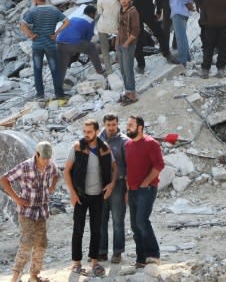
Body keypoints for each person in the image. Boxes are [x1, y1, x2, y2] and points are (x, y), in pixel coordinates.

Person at [62, 119, 117, 277]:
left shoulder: (105, 148)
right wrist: (72, 193)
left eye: (89, 132)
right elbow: (66, 171)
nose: (86, 135)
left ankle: (94, 262)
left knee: (96, 230)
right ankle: (77, 263)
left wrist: (112, 185)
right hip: (80, 195)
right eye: (84, 132)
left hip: (98, 196)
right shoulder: (77, 147)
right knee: (78, 230)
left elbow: (115, 168)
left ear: (97, 131)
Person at [0, 141, 59, 282]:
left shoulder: (50, 165)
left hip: (42, 210)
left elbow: (57, 174)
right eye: (43, 158)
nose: (46, 161)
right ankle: (15, 276)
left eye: (48, 158)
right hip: (27, 211)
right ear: (37, 155)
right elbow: (4, 179)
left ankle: (34, 275)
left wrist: (52, 186)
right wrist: (17, 199)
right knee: (27, 241)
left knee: (41, 243)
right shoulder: (25, 166)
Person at [124, 115, 164, 268]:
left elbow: (159, 165)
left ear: (140, 127)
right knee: (135, 225)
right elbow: (130, 168)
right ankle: (141, 258)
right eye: (127, 125)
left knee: (142, 221)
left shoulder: (151, 143)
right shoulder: (127, 145)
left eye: (131, 125)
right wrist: (128, 189)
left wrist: (147, 181)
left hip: (146, 190)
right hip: (133, 190)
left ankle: (153, 255)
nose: (128, 127)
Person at [20, 0, 67, 100]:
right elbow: (67, 21)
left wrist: (31, 35)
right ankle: (59, 94)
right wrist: (56, 33)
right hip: (50, 44)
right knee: (55, 69)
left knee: (37, 69)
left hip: (37, 45)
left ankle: (40, 94)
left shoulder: (32, 12)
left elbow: (22, 25)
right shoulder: (54, 10)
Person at [126, 0, 170, 73]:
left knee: (138, 38)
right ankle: (166, 54)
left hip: (136, 13)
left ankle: (141, 65)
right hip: (149, 12)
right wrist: (159, 10)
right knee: (159, 33)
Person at [97, 113, 130, 264]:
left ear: (117, 124)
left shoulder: (125, 142)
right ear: (104, 124)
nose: (111, 128)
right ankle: (101, 251)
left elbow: (129, 167)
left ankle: (117, 252)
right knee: (101, 220)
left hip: (119, 185)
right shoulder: (96, 140)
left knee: (118, 220)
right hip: (100, 186)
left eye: (113, 125)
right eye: (108, 125)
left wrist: (128, 190)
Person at [55, 5, 106, 88]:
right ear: (92, 14)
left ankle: (59, 83)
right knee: (92, 48)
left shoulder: (74, 18)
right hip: (73, 43)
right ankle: (99, 71)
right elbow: (87, 39)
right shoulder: (91, 22)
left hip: (59, 42)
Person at [166, 0, 194, 66]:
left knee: (180, 35)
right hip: (185, 8)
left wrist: (187, 1)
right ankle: (187, 57)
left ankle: (182, 60)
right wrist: (190, 3)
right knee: (183, 34)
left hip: (178, 7)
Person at [117, 0, 140, 104]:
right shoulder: (121, 10)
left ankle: (132, 94)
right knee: (122, 70)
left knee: (128, 69)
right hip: (119, 44)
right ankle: (127, 91)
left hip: (128, 45)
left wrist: (127, 43)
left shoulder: (133, 11)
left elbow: (136, 31)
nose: (123, 1)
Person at [96, 0, 120, 75]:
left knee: (104, 49)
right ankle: (122, 65)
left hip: (102, 26)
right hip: (116, 25)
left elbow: (100, 13)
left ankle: (109, 70)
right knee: (119, 46)